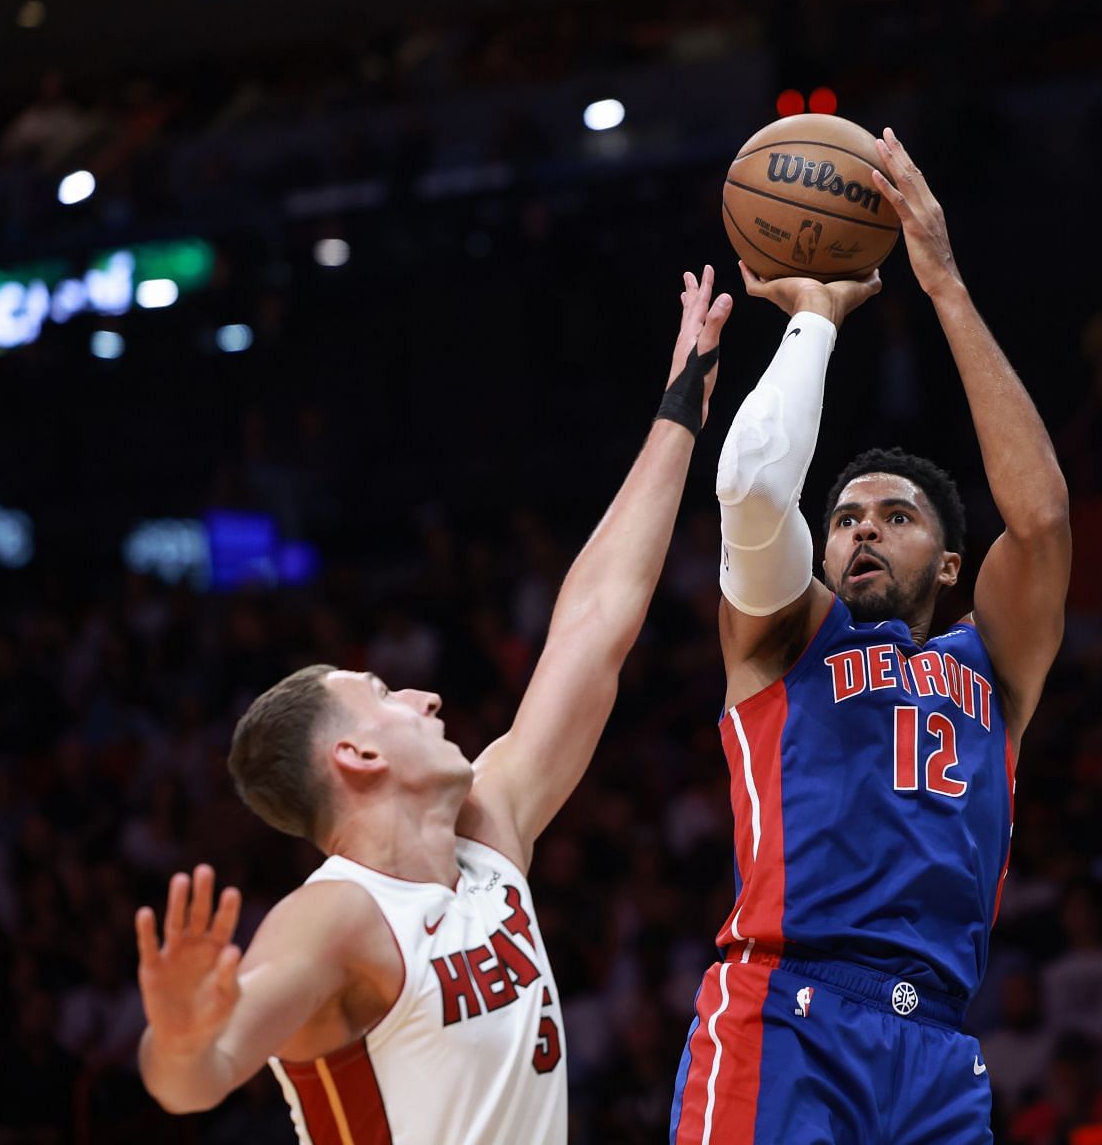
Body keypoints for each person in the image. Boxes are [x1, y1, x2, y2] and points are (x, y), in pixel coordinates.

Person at [131, 270, 734, 1143]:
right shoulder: (333, 918)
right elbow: (199, 1077)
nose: (425, 696)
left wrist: (681, 408)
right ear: (357, 758)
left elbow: (596, 626)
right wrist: (180, 1038)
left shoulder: (491, 832)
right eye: (383, 696)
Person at [670, 128, 1072, 1142]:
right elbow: (756, 489)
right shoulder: (783, 637)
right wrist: (814, 319)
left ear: (949, 562)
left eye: (896, 516)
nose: (861, 529)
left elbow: (1044, 522)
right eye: (846, 515)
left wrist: (942, 285)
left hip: (937, 1049)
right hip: (787, 1012)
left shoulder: (996, 664)